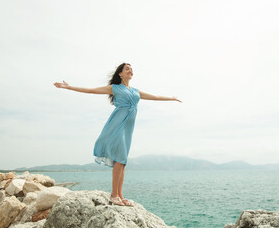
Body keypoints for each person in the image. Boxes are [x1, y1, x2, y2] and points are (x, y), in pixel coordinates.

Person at [53, 63, 182, 206]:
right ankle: (113, 195)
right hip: (117, 125)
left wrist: (171, 98)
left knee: (123, 162)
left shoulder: (135, 91)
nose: (130, 70)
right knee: (120, 159)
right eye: (127, 69)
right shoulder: (115, 88)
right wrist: (69, 87)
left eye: (131, 69)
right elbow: (90, 91)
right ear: (120, 73)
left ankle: (120, 195)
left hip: (128, 129)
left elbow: (155, 97)